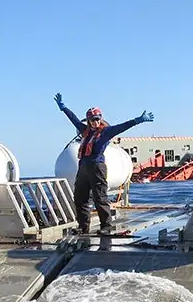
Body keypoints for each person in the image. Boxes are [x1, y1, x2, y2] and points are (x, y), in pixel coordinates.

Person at [55, 93, 154, 234]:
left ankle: (106, 226)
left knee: (100, 197)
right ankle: (83, 227)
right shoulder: (85, 132)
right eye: (91, 120)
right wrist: (63, 107)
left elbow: (122, 127)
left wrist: (138, 120)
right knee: (79, 198)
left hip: (97, 167)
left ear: (100, 119)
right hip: (83, 167)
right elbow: (74, 120)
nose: (94, 122)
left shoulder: (106, 132)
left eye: (96, 119)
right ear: (88, 121)